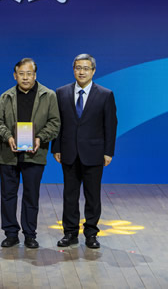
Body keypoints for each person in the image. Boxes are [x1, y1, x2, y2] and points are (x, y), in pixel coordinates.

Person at [0, 57, 60, 249]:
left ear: (35, 75)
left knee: (31, 196)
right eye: (21, 74)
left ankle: (30, 234)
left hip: (34, 155)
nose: (25, 77)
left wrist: (40, 138)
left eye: (29, 74)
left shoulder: (48, 95)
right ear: (15, 76)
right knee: (8, 196)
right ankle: (11, 233)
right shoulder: (6, 96)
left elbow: (55, 123)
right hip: (9, 155)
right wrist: (8, 137)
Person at [52, 54, 117, 249]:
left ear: (93, 71)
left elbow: (110, 125)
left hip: (94, 153)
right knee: (69, 195)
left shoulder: (105, 94)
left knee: (93, 196)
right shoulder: (61, 93)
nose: (82, 72)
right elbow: (57, 123)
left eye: (86, 68)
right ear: (73, 70)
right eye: (78, 68)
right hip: (69, 152)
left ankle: (91, 234)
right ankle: (70, 233)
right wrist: (56, 147)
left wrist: (108, 152)